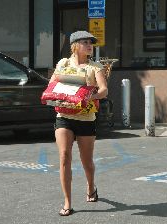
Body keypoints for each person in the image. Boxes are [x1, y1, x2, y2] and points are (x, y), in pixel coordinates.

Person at [49, 31, 108, 216]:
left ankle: (91, 187)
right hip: (64, 115)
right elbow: (53, 83)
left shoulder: (95, 66)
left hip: (86, 118)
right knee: (64, 156)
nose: (90, 45)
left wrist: (94, 95)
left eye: (91, 43)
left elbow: (104, 89)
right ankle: (67, 202)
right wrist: (55, 95)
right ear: (75, 45)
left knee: (86, 161)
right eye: (85, 42)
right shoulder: (63, 64)